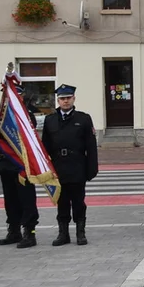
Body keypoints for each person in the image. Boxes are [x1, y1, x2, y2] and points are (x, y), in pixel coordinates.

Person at [41, 84, 98, 246]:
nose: (65, 101)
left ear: (74, 98)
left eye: (68, 98)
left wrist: (91, 169)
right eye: (62, 99)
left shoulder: (83, 118)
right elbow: (45, 147)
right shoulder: (50, 120)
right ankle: (63, 233)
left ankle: (80, 232)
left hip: (77, 166)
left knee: (78, 202)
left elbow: (91, 147)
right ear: (57, 100)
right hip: (58, 167)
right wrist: (46, 169)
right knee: (62, 202)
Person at [0, 86, 41, 248]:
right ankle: (14, 230)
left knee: (26, 200)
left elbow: (27, 138)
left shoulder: (26, 116)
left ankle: (30, 232)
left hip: (21, 165)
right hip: (5, 165)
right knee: (10, 201)